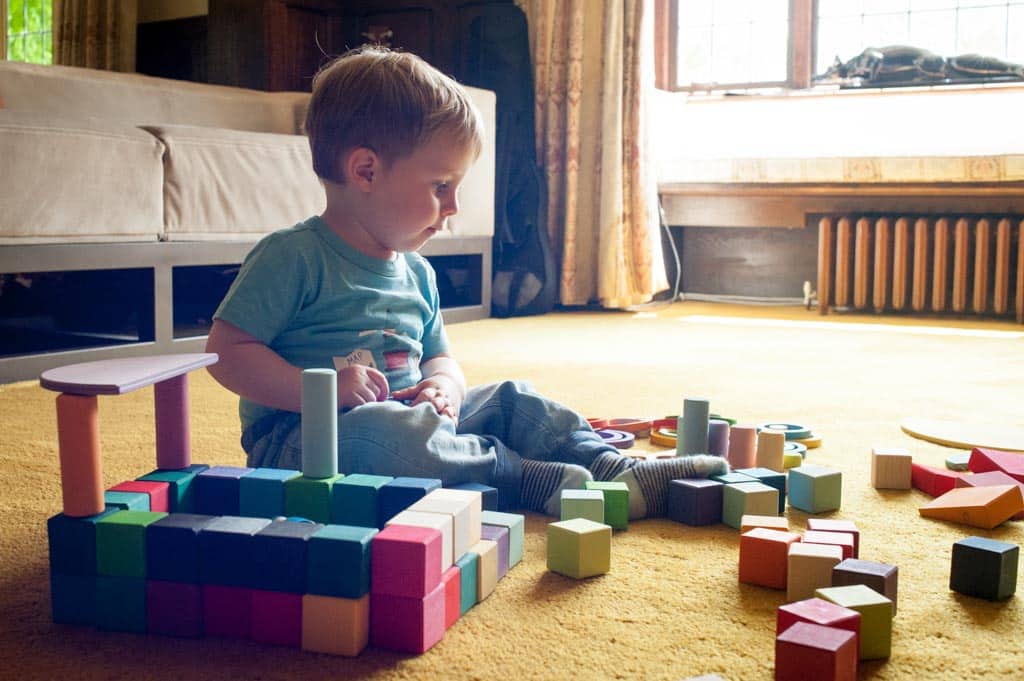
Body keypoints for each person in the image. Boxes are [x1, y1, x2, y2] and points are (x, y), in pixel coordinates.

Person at [205, 45, 726, 518]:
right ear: (365, 172)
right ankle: (522, 478)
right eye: (441, 186)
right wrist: (318, 392)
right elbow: (227, 350)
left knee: (510, 397)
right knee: (388, 438)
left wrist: (445, 387)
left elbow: (439, 355)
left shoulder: (417, 271)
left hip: (417, 417)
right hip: (304, 438)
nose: (453, 207)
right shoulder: (293, 256)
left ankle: (608, 466)